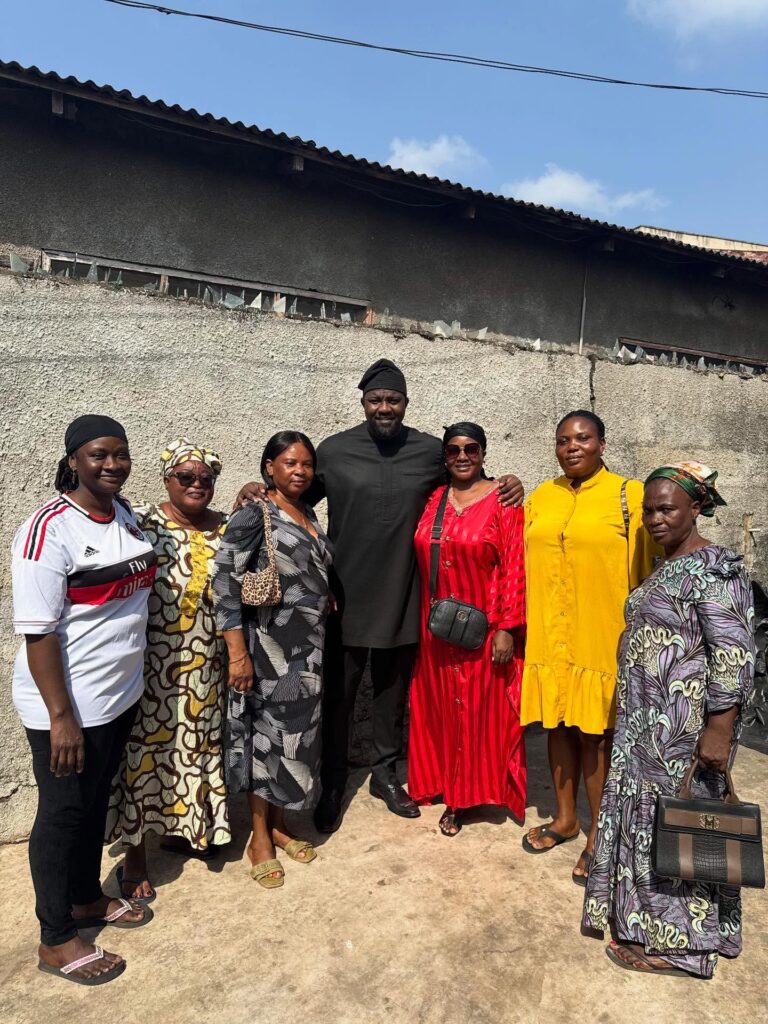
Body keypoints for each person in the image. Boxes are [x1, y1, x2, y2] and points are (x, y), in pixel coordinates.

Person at [237, 359, 524, 834]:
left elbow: (468, 478)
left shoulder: (430, 451)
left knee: (393, 696)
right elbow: (299, 496)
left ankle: (387, 776)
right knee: (339, 698)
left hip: (406, 596)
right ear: (363, 403)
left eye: (393, 399)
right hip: (343, 596)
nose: (384, 407)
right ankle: (332, 784)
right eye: (376, 400)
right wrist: (259, 488)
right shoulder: (333, 451)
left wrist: (508, 482)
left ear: (406, 404)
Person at [583, 462, 755, 978]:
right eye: (648, 510)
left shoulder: (714, 568)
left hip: (685, 731)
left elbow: (734, 654)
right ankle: (648, 921)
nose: (655, 519)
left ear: (696, 508)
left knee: (684, 829)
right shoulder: (666, 564)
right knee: (653, 826)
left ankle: (682, 949)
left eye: (667, 509)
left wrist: (719, 730)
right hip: (646, 731)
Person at [11, 415, 156, 986]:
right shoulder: (49, 529)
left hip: (115, 699)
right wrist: (61, 718)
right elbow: (39, 632)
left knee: (94, 804)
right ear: (73, 459)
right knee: (62, 815)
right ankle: (54, 938)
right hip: (65, 707)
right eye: (99, 455)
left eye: (121, 454)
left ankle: (84, 900)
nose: (112, 465)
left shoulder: (122, 515)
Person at [520, 411, 656, 884]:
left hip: (601, 633)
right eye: (563, 440)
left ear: (602, 442)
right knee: (556, 724)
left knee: (595, 734)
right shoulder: (542, 495)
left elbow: (657, 555)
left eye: (582, 438)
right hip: (550, 633)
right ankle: (565, 819)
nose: (572, 446)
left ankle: (601, 832)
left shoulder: (629, 495)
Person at [107, 439, 231, 901]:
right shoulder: (140, 520)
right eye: (186, 477)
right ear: (167, 479)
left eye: (206, 478)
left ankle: (188, 831)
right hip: (151, 664)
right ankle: (136, 854)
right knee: (144, 755)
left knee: (196, 747)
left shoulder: (225, 527)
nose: (197, 484)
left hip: (208, 666)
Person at [213, 432, 333, 888]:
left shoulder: (308, 514)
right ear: (269, 467)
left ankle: (281, 827)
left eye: (306, 464)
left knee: (294, 743)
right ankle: (259, 837)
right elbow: (224, 583)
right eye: (289, 463)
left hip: (310, 652)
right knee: (266, 741)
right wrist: (238, 655)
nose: (299, 471)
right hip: (267, 651)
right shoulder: (252, 513)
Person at [407, 423, 526, 835]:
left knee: (478, 714)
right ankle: (438, 783)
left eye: (471, 448)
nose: (462, 456)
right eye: (454, 449)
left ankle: (464, 798)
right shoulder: (434, 498)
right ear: (444, 456)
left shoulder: (503, 501)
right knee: (439, 709)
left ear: (483, 453)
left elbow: (513, 566)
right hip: (436, 631)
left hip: (484, 629)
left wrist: (507, 627)